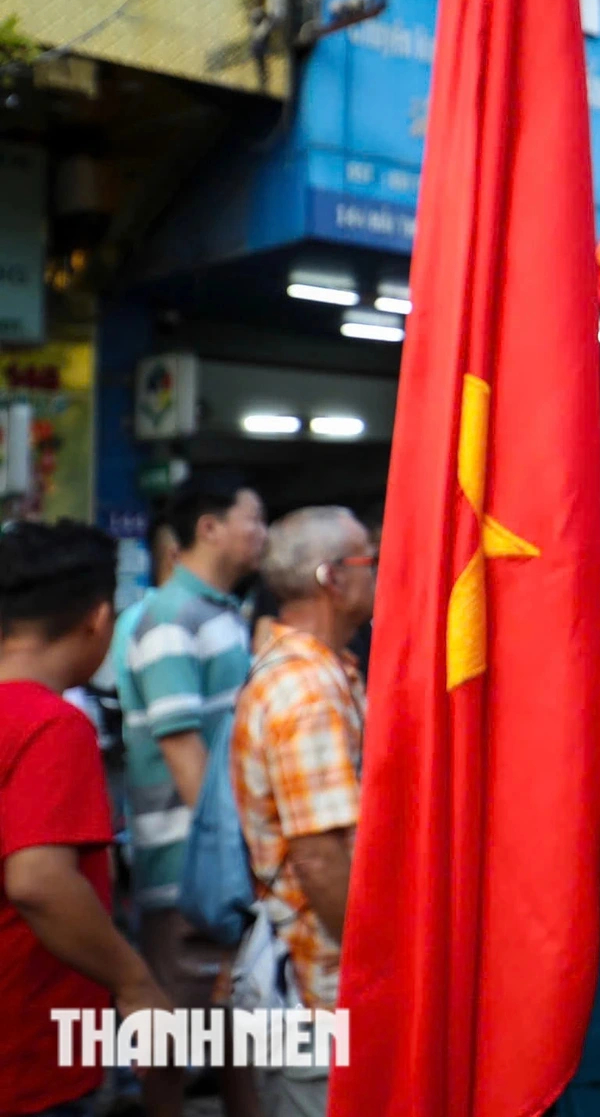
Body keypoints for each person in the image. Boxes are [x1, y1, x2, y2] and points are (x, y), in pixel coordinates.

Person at [1, 522, 174, 1117]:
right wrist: (136, 984)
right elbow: (39, 881)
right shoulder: (51, 724)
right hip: (25, 1050)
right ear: (98, 619)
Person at [118, 472, 266, 1117]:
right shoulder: (169, 618)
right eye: (253, 520)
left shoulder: (222, 616)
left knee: (239, 1032)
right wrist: (234, 862)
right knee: (171, 1040)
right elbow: (184, 755)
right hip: (190, 869)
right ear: (210, 528)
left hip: (221, 862)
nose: (262, 534)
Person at [231, 507, 373, 1115]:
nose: (381, 573)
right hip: (326, 997)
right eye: (371, 560)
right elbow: (321, 858)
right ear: (331, 578)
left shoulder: (317, 672)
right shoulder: (306, 690)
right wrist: (374, 977)